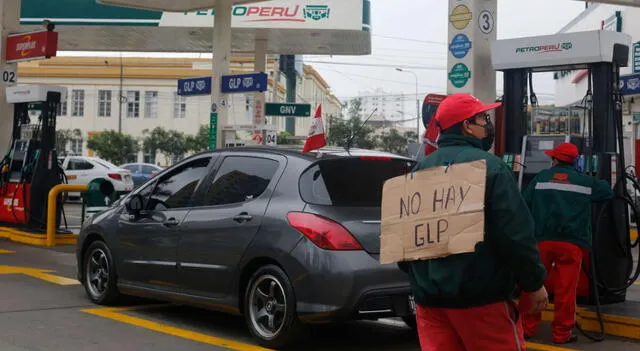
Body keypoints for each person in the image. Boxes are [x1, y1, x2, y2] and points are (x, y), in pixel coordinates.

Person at [399, 93, 548, 351]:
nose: (487, 125)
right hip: (482, 302)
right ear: (467, 126)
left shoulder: (418, 171)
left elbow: (403, 243)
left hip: (430, 305)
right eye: (482, 118)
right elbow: (515, 235)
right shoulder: (492, 168)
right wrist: (533, 283)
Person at [519, 142, 614, 344]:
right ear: (575, 161)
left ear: (554, 160)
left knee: (534, 285)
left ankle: (527, 328)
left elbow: (524, 203)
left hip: (541, 241)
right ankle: (562, 333)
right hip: (571, 243)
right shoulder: (584, 181)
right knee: (566, 289)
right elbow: (607, 192)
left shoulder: (540, 178)